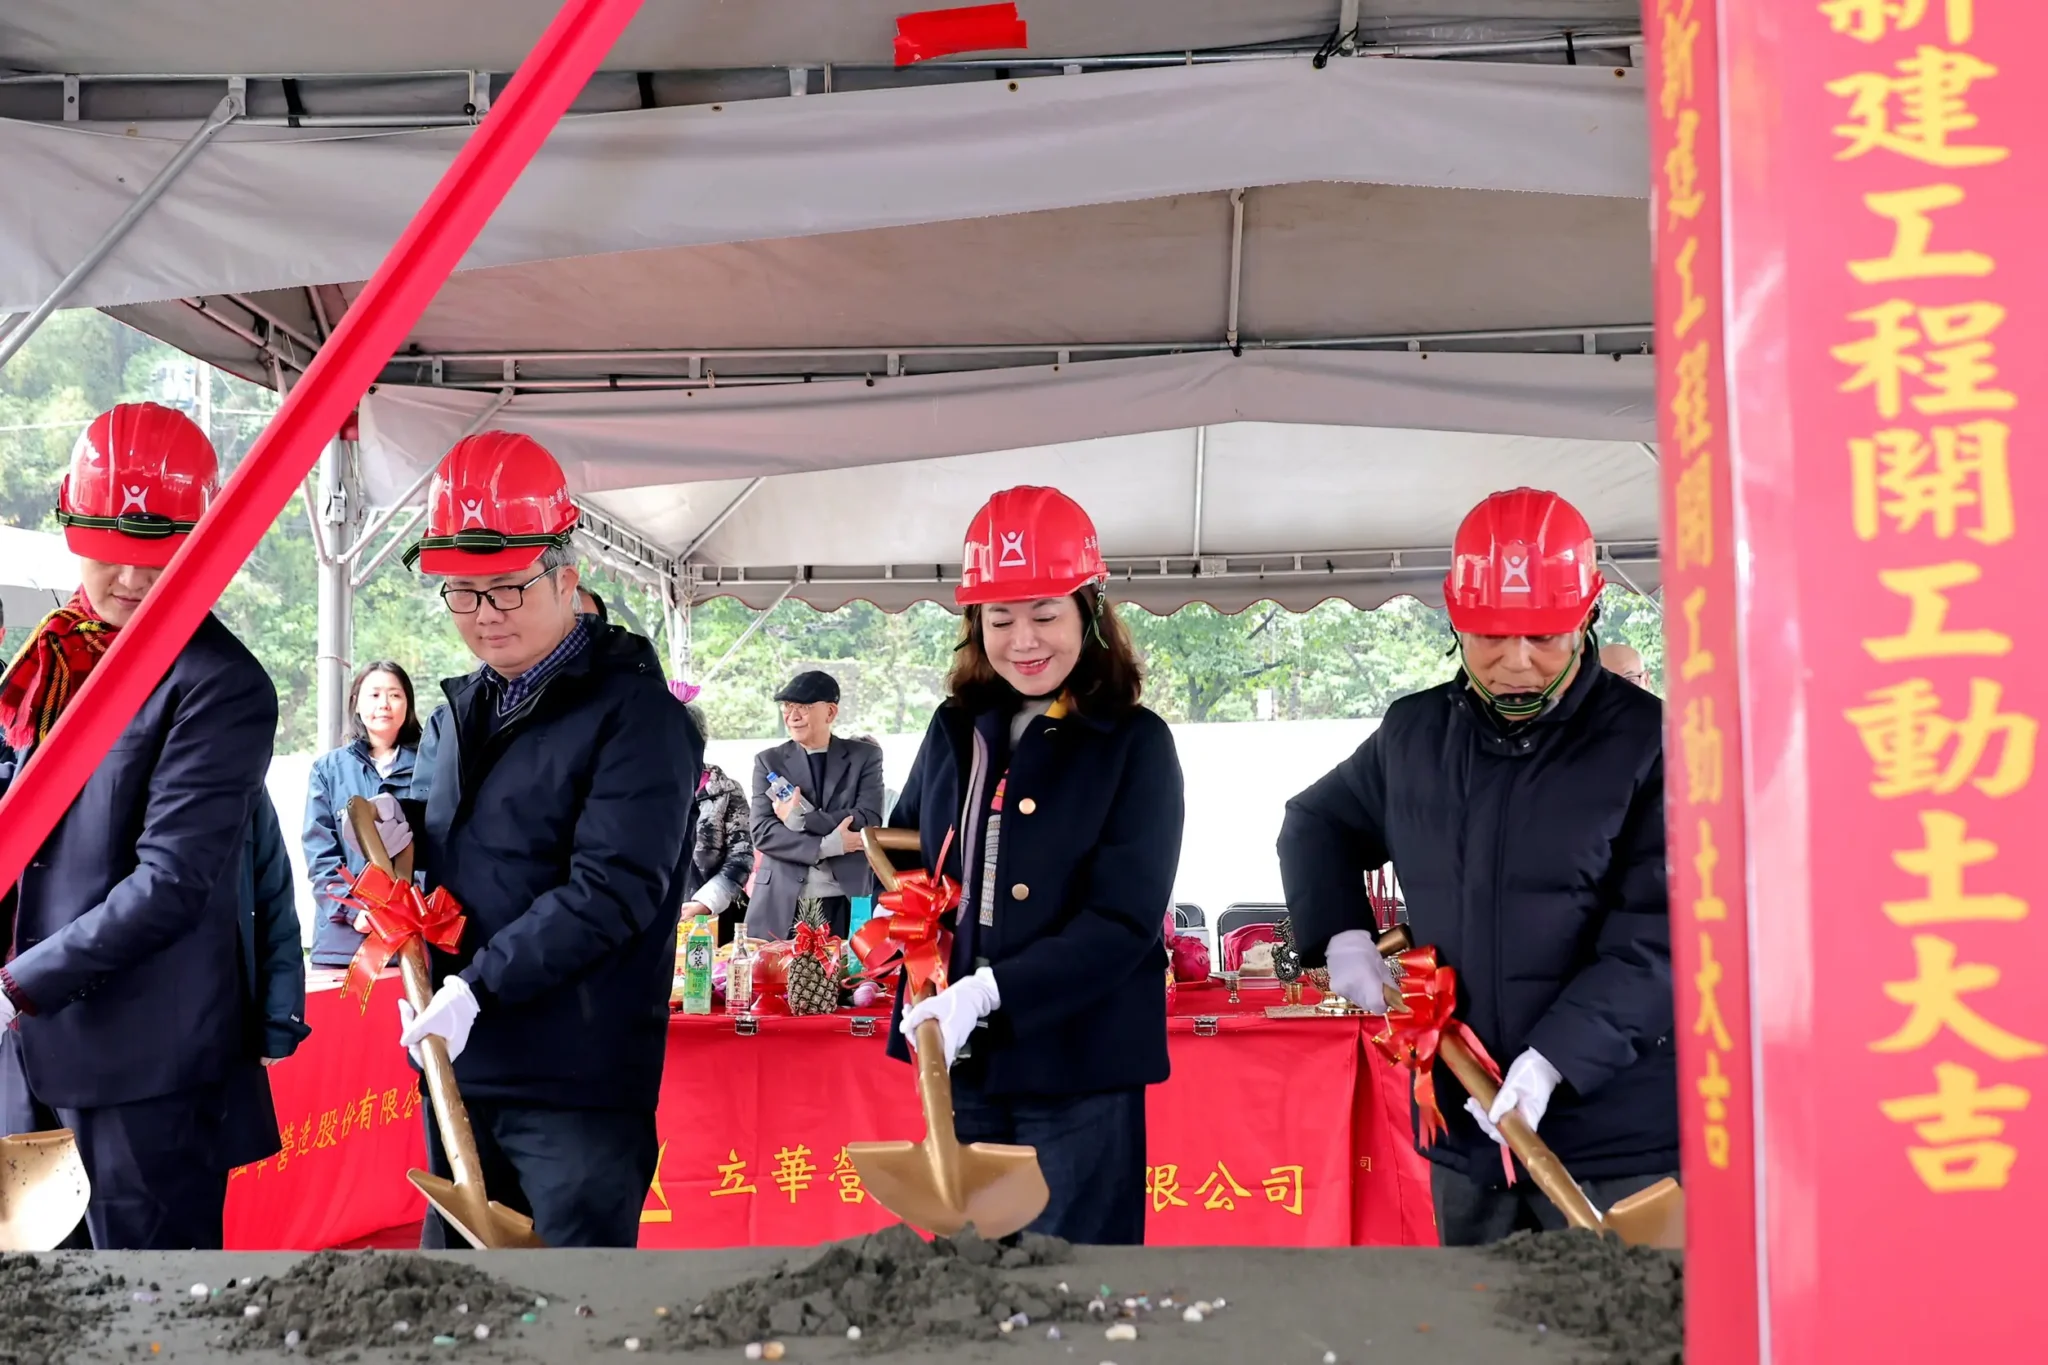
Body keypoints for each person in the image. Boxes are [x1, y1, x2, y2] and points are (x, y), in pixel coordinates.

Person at [1277, 487, 1673, 1247]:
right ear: (1455, 619)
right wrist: (1342, 934)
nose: (1515, 661)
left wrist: (1555, 1061)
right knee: (1477, 1309)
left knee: (1624, 1311)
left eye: (1544, 635)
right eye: (1489, 633)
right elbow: (1316, 823)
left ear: (1588, 617)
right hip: (1464, 1128)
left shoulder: (1651, 743)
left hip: (1617, 1138)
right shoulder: (1414, 735)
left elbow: (1661, 938)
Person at [365, 430, 700, 1249]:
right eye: (463, 592)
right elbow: (469, 847)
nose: (485, 614)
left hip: (572, 1084)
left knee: (569, 1299)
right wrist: (404, 843)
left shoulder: (638, 718)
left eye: (508, 588)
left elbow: (614, 888)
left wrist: (477, 986)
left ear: (565, 577)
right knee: (458, 1300)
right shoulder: (461, 711)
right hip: (460, 1067)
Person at [0, 402, 278, 1249]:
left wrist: (19, 982)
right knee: (41, 1299)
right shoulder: (51, 659)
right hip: (29, 1058)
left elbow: (171, 881)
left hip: (144, 1071)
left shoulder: (219, 684)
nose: (130, 575)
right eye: (109, 546)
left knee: (149, 1303)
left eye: (160, 552)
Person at [885, 486, 1184, 1245]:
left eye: (1045, 615)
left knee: (1072, 1279)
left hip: (1079, 1065)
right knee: (970, 1278)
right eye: (1000, 618)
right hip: (965, 1065)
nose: (1024, 641)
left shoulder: (1135, 745)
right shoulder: (956, 727)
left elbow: (1122, 919)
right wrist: (906, 942)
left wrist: (992, 990)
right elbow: (911, 854)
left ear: (1089, 612)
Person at [747, 671, 884, 941]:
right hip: (781, 901)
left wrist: (800, 820)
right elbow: (762, 831)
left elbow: (868, 817)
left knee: (848, 968)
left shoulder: (864, 757)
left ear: (830, 712)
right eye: (787, 706)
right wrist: (827, 845)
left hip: (845, 898)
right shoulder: (769, 761)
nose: (792, 715)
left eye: (804, 707)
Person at [303, 660, 422, 968]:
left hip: (413, 938)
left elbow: (439, 846)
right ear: (356, 703)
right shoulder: (328, 770)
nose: (384, 704)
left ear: (408, 704)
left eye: (395, 695)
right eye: (374, 694)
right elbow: (320, 855)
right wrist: (354, 911)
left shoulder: (431, 766)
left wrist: (410, 906)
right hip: (343, 944)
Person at [219, 792, 312, 1175]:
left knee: (202, 1185)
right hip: (113, 1039)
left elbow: (275, 900)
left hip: (220, 1022)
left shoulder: (241, 776)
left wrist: (279, 1018)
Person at [671, 683, 755, 944]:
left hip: (714, 913)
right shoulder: (641, 788)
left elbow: (741, 856)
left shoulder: (726, 790)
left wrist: (705, 902)